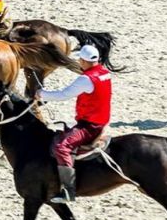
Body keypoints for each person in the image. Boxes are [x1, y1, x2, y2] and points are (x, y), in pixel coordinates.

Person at [34, 44, 111, 204]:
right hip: (101, 120)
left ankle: (69, 190)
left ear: (83, 61)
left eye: (80, 60)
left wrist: (41, 94)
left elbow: (64, 95)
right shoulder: (104, 72)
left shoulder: (86, 79)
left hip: (90, 126)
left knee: (61, 147)